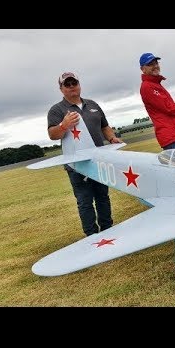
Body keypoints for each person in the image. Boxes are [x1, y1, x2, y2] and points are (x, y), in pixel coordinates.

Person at [47, 72, 123, 237]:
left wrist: (111, 138)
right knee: (84, 201)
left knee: (103, 196)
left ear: (79, 84)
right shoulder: (57, 110)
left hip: (99, 161)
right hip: (77, 165)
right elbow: (52, 135)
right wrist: (63, 125)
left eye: (74, 82)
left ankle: (108, 231)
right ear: (61, 89)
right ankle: (92, 236)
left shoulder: (92, 104)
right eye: (67, 84)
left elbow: (105, 126)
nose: (72, 86)